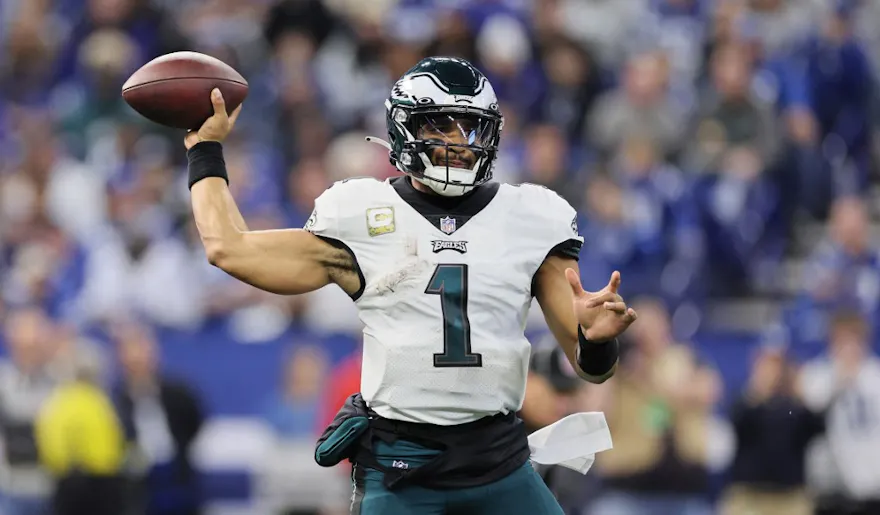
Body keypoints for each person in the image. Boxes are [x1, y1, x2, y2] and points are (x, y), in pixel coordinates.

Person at [183, 57, 638, 514]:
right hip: (403, 470)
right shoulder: (361, 211)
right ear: (405, 129)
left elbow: (591, 369)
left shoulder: (530, 217)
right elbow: (229, 248)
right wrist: (205, 149)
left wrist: (597, 341)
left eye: (470, 128)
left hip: (498, 463)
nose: (459, 142)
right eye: (441, 126)